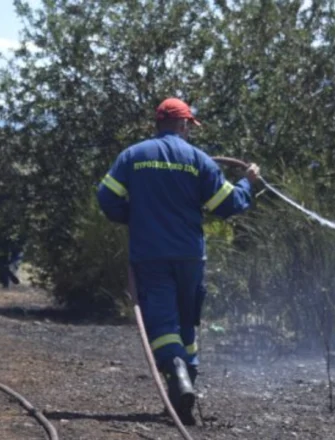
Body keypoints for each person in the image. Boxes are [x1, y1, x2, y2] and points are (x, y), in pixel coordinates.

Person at [96, 97, 260, 425]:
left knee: (161, 324)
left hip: (150, 256)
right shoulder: (199, 160)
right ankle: (184, 392)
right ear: (184, 125)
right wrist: (248, 182)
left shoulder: (133, 156)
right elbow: (228, 204)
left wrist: (133, 217)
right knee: (187, 325)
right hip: (190, 257)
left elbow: (106, 196)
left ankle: (178, 378)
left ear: (157, 124)